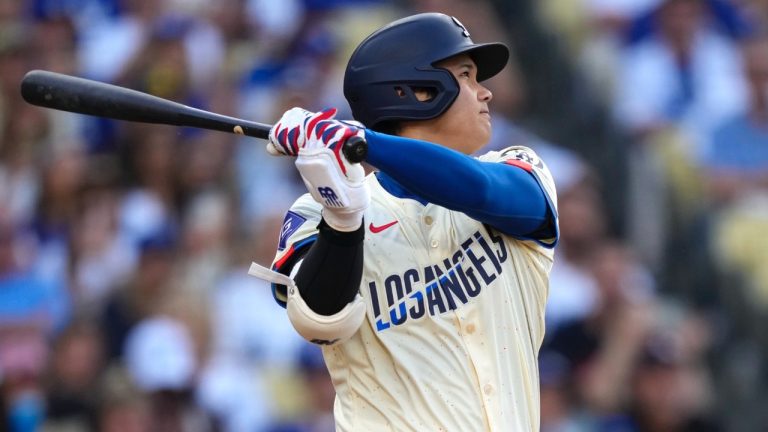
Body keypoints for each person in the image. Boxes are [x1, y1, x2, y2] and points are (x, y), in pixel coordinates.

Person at [248, 12, 559, 431]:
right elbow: (318, 320)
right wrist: (342, 222)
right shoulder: (314, 212)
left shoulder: (517, 165)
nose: (485, 93)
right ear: (414, 91)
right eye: (466, 76)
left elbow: (487, 191)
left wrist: (361, 142)